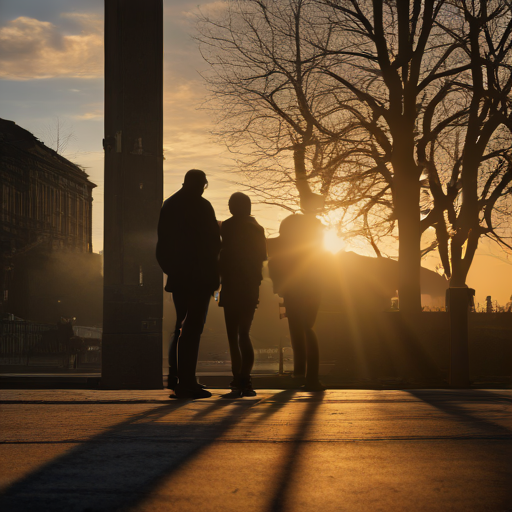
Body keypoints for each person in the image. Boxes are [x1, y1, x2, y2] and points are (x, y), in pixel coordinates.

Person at [156, 169, 220, 399]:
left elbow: (162, 244)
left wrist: (172, 271)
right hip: (200, 277)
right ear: (202, 184)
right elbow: (213, 243)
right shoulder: (203, 207)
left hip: (179, 277)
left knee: (180, 327)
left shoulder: (170, 204)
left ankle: (179, 380)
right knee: (193, 328)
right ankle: (187, 382)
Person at [268, 214, 326, 391]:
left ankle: (301, 373)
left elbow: (268, 254)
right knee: (307, 328)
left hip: (291, 292)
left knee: (296, 329)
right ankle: (311, 376)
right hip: (311, 292)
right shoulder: (312, 246)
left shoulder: (279, 244)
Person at [219, 193, 267, 397]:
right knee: (244, 334)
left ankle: (237, 379)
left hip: (231, 286)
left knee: (232, 335)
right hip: (249, 288)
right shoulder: (258, 228)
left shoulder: (228, 227)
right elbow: (261, 259)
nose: (229, 207)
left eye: (230, 204)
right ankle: (245, 380)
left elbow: (225, 256)